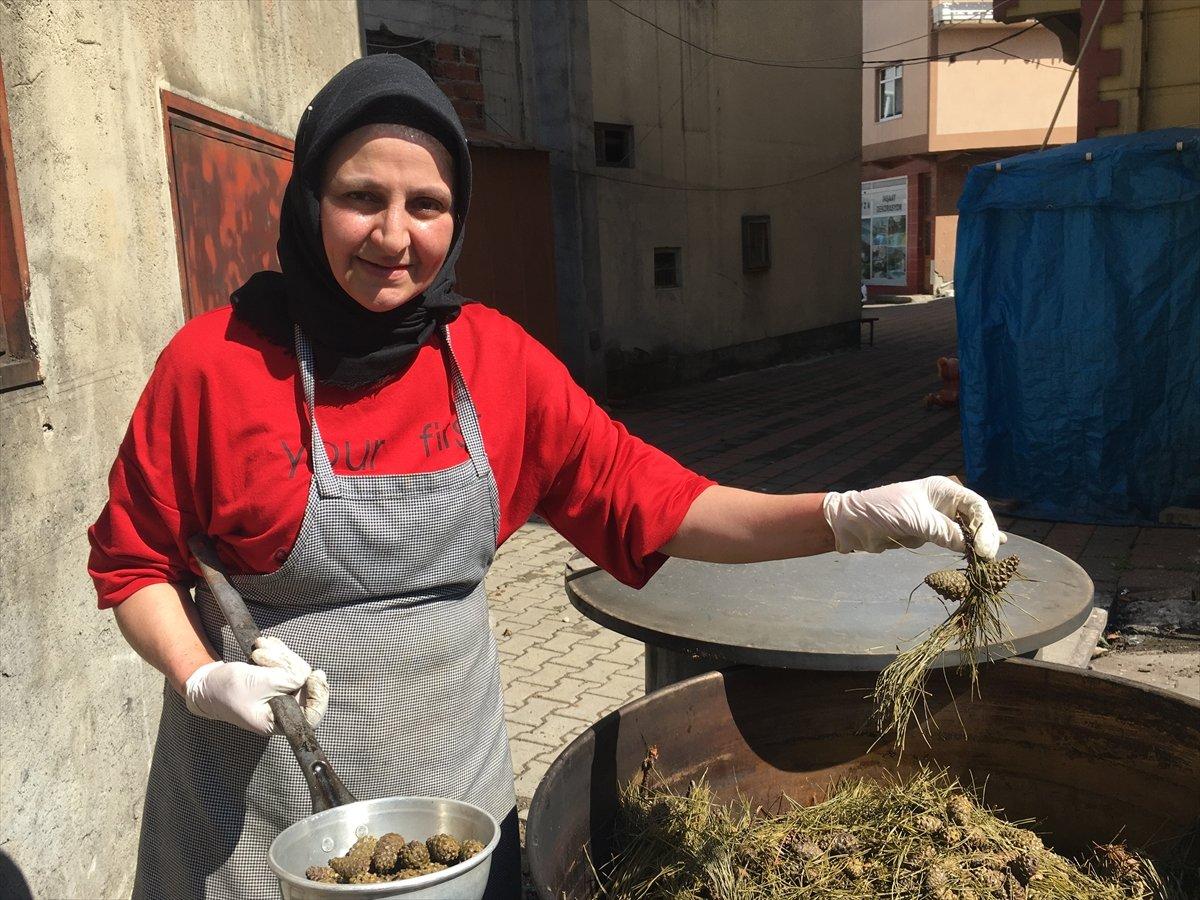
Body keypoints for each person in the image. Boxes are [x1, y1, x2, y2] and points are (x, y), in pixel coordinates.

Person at [88, 54, 1004, 900]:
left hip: (455, 812)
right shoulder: (213, 366)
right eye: (361, 196)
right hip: (251, 824)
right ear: (310, 198)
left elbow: (663, 503)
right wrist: (202, 675)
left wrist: (850, 514)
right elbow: (133, 567)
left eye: (428, 205)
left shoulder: (493, 363)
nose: (394, 236)